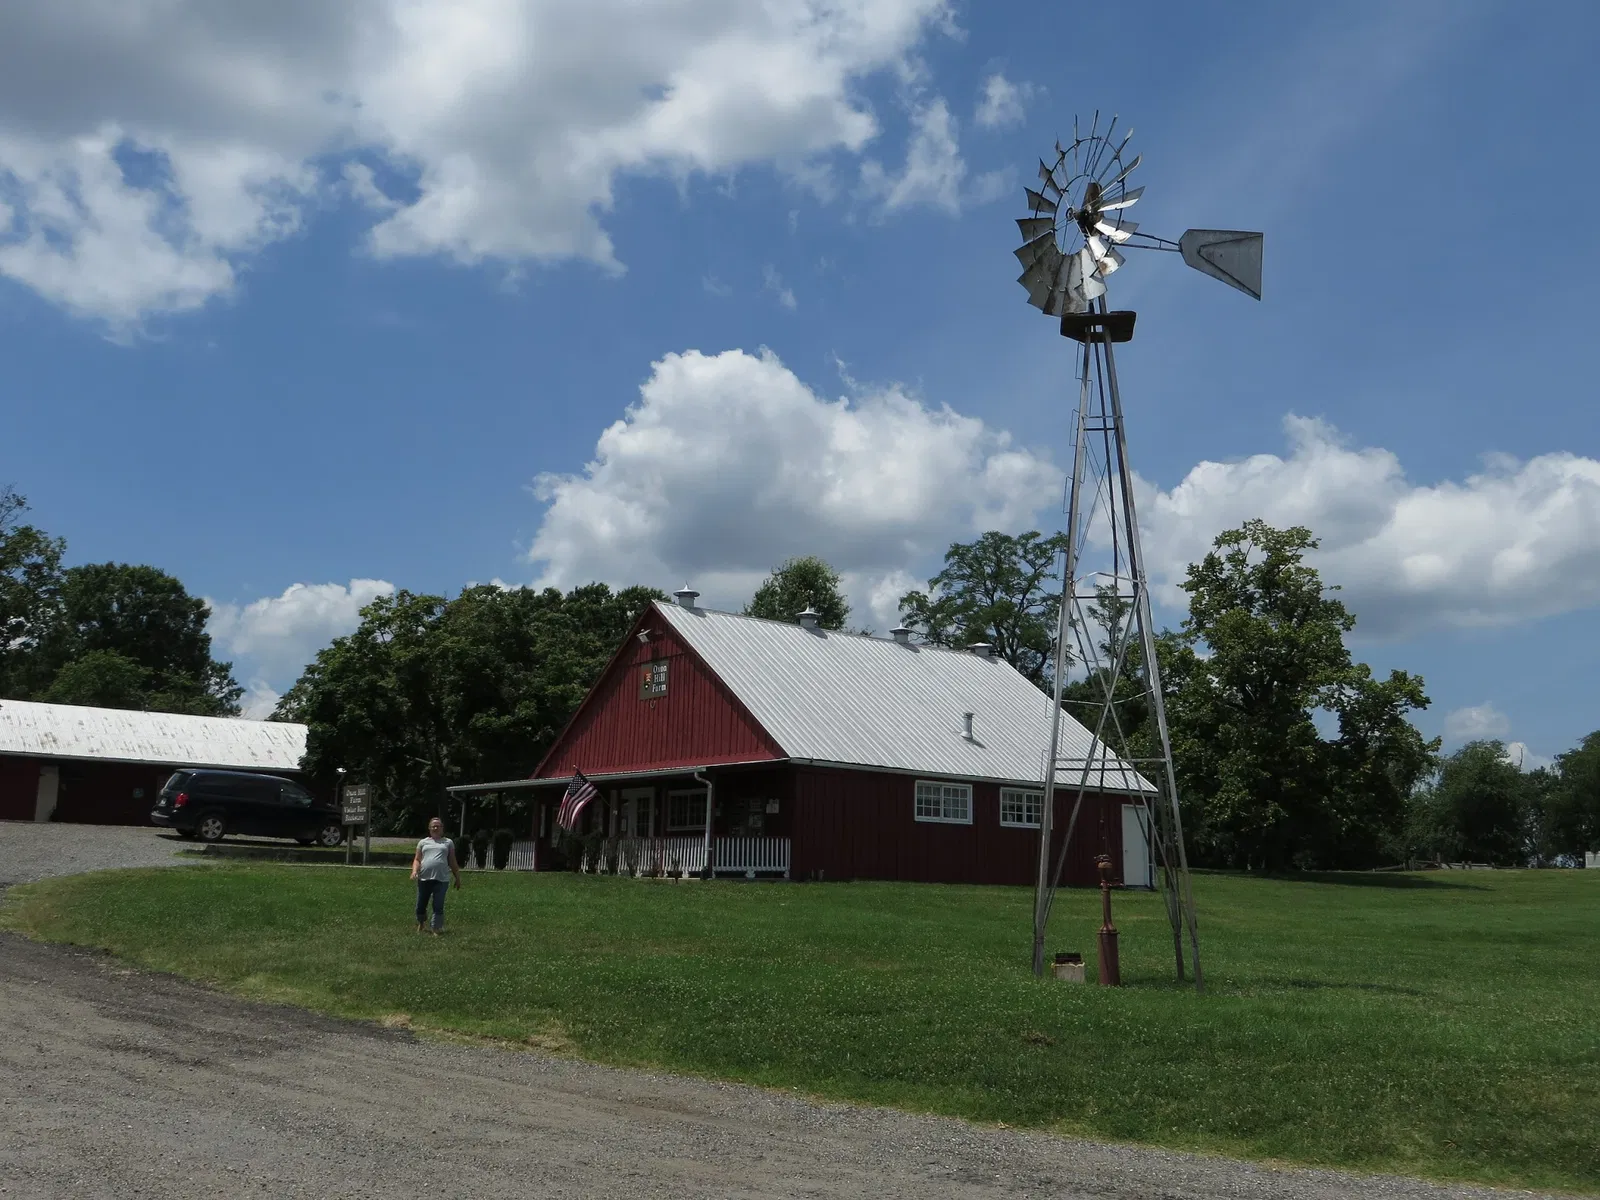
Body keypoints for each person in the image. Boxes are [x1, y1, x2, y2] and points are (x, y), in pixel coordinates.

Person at [410, 817, 461, 934]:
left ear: (442, 828)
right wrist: (414, 871)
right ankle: (421, 923)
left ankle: (435, 928)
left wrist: (457, 877)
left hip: (441, 879)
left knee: (438, 904)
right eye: (433, 826)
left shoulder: (448, 842)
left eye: (438, 826)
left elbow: (452, 861)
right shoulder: (423, 842)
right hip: (424, 878)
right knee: (420, 905)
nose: (436, 828)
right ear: (429, 828)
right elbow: (417, 859)